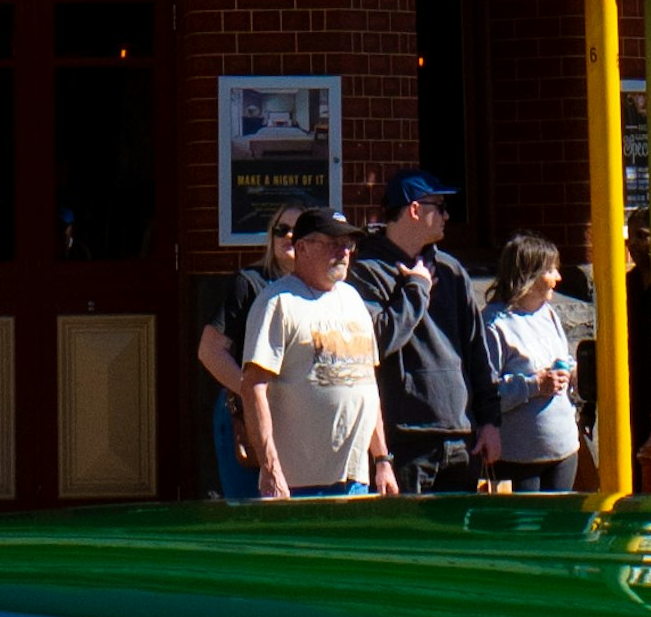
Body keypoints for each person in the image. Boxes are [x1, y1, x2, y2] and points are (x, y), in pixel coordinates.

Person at [226, 200, 397, 506]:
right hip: (299, 483)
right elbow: (253, 387)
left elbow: (367, 386)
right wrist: (270, 466)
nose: (344, 252)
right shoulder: (277, 303)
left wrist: (382, 459)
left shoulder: (354, 301)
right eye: (333, 243)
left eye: (348, 244)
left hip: (355, 480)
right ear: (302, 248)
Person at [355, 171, 494, 494]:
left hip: (461, 436)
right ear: (414, 209)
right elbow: (376, 342)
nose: (447, 215)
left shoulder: (451, 270)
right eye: (440, 206)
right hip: (406, 440)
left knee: (458, 542)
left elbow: (477, 352)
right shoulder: (367, 271)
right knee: (411, 540)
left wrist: (489, 421)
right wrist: (416, 289)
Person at [195, 202, 330, 501]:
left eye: (297, 231)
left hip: (300, 418)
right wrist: (251, 392)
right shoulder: (250, 283)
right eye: (281, 230)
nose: (287, 236)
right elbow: (210, 351)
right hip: (246, 415)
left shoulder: (324, 291)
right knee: (253, 509)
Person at [480, 233, 582, 492]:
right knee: (525, 532)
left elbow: (564, 362)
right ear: (527, 275)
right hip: (519, 459)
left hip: (564, 450)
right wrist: (533, 385)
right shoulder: (495, 324)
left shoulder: (549, 314)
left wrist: (572, 374)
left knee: (560, 532)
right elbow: (485, 394)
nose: (558, 278)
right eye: (550, 270)